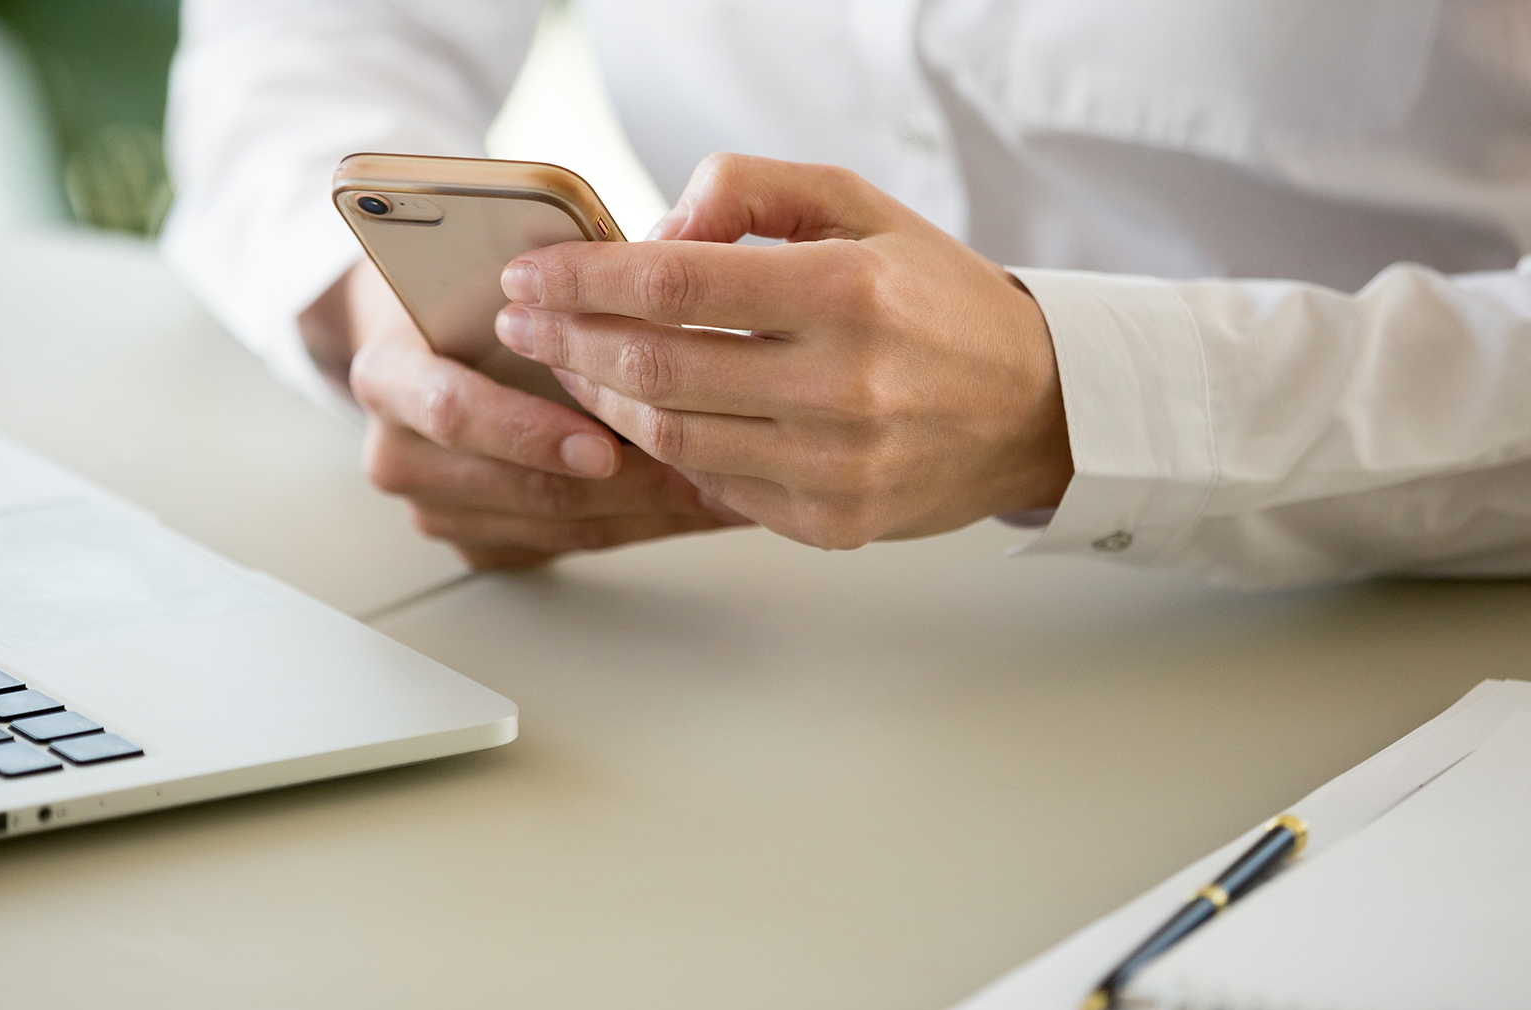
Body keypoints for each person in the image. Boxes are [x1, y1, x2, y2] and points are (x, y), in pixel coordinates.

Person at [161, 0, 1531, 589]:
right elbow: (311, 40)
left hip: (1404, 658)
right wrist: (393, 307)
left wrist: (1073, 404)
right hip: (760, 628)